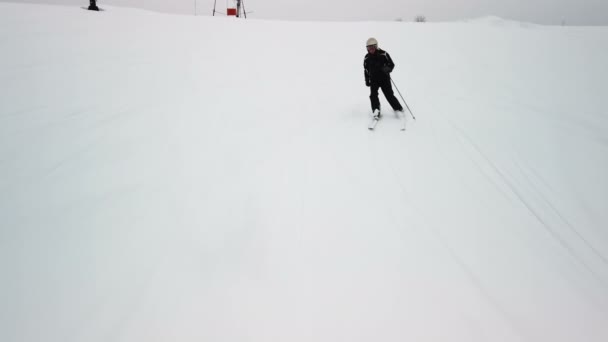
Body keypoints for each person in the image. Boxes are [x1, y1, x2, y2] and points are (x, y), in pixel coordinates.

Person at [363, 38, 404, 119]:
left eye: (372, 47)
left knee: (389, 95)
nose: (370, 49)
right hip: (374, 80)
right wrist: (367, 80)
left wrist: (387, 69)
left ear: (376, 46)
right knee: (373, 95)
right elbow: (366, 70)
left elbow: (391, 64)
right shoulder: (367, 58)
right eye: (368, 48)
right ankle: (376, 110)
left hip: (384, 79)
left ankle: (398, 108)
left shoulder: (383, 54)